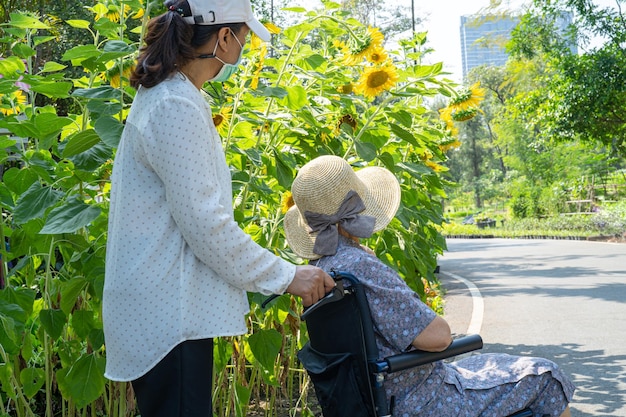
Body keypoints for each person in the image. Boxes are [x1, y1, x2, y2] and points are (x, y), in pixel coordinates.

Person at [102, 1, 335, 416]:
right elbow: (206, 226)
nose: (243, 49)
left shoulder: (173, 96)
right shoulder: (176, 106)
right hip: (168, 316)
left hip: (166, 311)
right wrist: (287, 276)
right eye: (244, 37)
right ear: (224, 38)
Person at [283, 155, 576, 417]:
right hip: (422, 400)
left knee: (494, 364)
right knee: (546, 376)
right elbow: (437, 338)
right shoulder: (361, 268)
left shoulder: (318, 270)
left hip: (372, 399)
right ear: (356, 212)